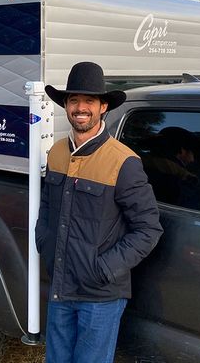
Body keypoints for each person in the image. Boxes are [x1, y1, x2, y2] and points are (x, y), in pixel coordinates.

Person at [35, 62, 163, 363]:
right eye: (73, 100)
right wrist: (45, 243)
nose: (81, 108)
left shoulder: (124, 163)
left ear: (103, 106)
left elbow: (149, 229)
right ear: (66, 105)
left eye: (89, 101)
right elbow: (48, 207)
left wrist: (103, 269)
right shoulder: (56, 153)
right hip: (61, 288)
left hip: (100, 297)